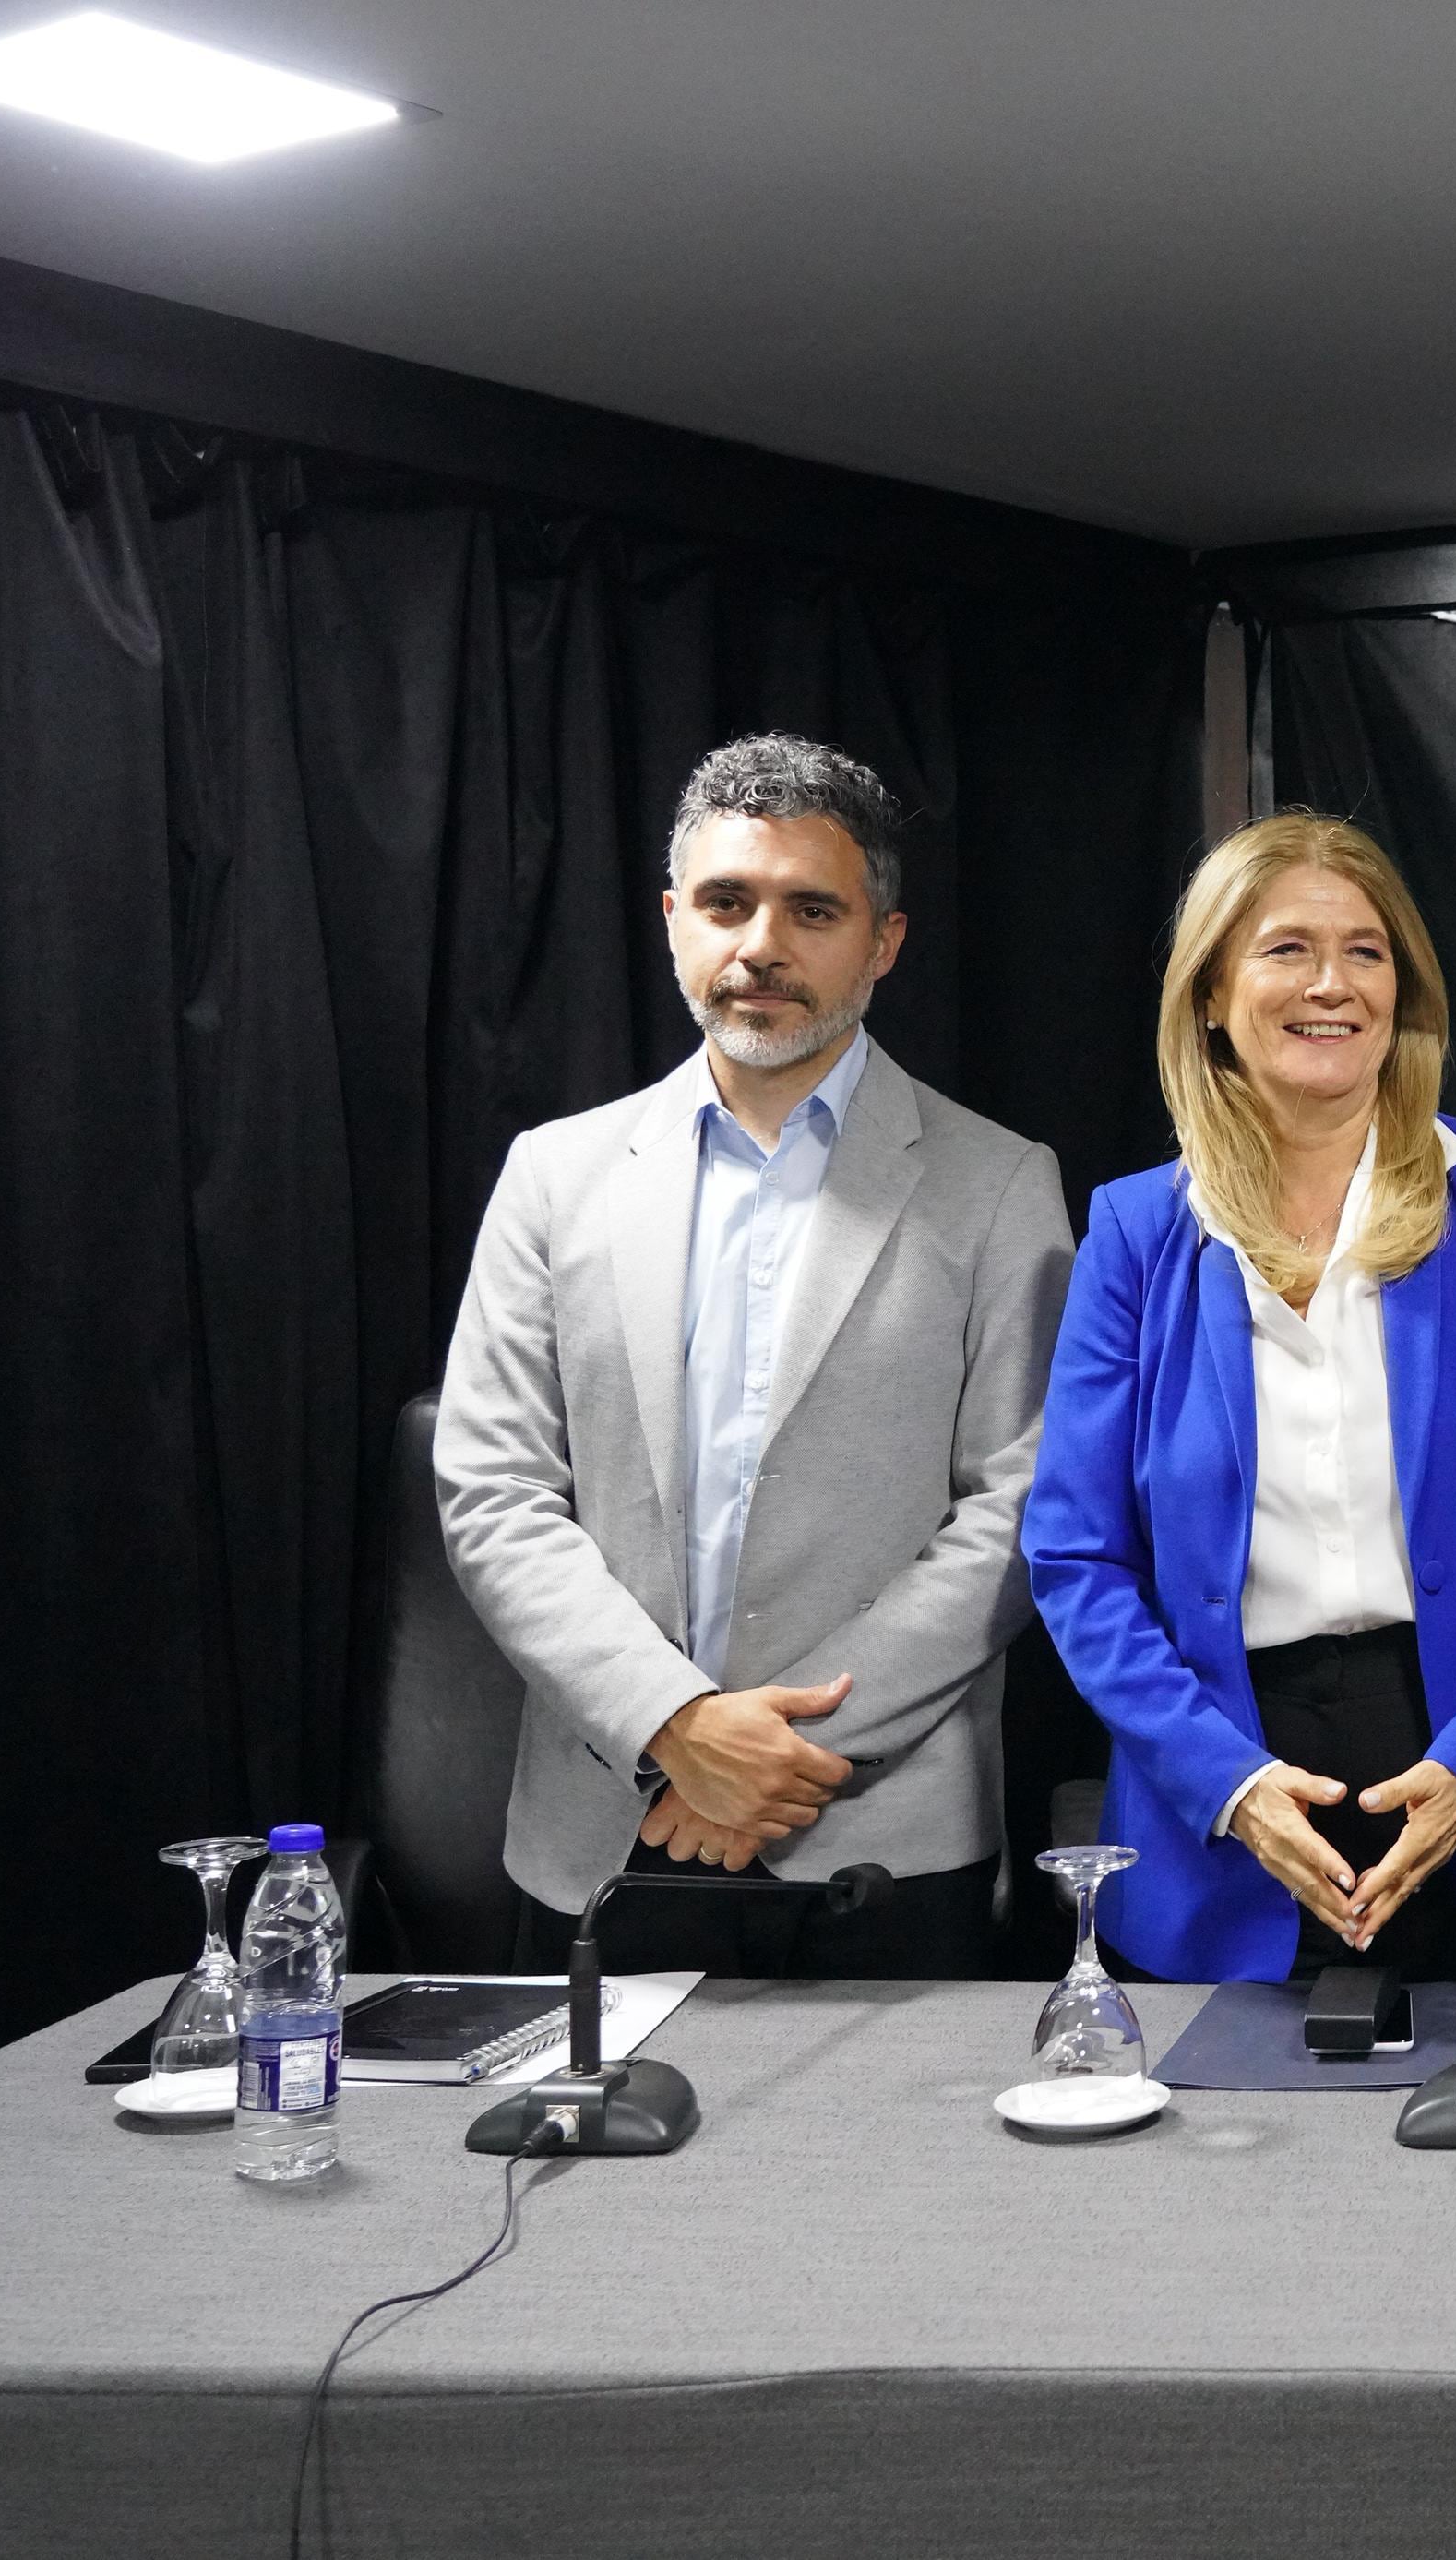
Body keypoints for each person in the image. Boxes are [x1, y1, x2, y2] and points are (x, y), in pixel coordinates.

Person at [436, 733, 1072, 1979]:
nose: (761, 944)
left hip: (873, 1839)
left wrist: (773, 1761)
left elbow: (1025, 1508)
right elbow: (494, 1490)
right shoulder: (554, 1178)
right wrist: (676, 1724)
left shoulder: (1001, 1184)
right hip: (602, 1832)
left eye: (812, 908)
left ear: (883, 941)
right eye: (727, 902)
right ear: (676, 920)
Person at [1023, 814, 1456, 1986]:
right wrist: (1222, 1782)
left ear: (1402, 990)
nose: (1331, 983)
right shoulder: (1133, 1230)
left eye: (1365, 952)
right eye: (1285, 949)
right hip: (1232, 1789)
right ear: (1212, 994)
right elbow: (1076, 1557)